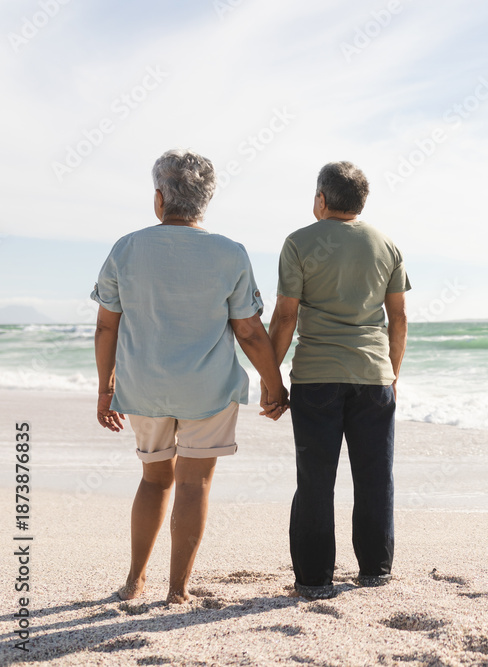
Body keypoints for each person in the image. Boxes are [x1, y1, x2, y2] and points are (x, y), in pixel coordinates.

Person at [92, 149, 288, 604]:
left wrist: (106, 389)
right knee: (194, 483)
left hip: (143, 389)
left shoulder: (126, 248)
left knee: (153, 480)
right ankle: (177, 591)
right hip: (209, 389)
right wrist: (274, 386)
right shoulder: (230, 252)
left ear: (159, 198)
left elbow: (106, 325)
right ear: (207, 200)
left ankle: (134, 581)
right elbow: (249, 331)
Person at [264, 161, 410, 599]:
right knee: (374, 476)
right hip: (373, 376)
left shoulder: (299, 243)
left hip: (316, 378)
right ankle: (375, 571)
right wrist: (392, 374)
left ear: (321, 200)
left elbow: (286, 316)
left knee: (315, 479)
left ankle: (313, 580)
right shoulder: (386, 244)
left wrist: (272, 382)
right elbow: (398, 318)